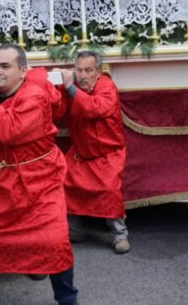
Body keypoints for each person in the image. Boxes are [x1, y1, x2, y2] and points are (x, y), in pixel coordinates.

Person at [0, 44, 76, 305]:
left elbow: (7, 130)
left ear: (23, 71)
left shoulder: (34, 96)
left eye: (5, 66)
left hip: (37, 181)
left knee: (52, 241)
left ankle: (66, 298)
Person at [56, 51, 129, 254]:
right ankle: (74, 230)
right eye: (79, 71)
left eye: (88, 70)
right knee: (64, 181)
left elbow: (95, 108)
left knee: (110, 190)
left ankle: (120, 234)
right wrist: (56, 85)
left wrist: (69, 87)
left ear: (98, 71)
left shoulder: (107, 86)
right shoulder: (72, 87)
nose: (83, 76)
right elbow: (59, 112)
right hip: (81, 152)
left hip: (108, 153)